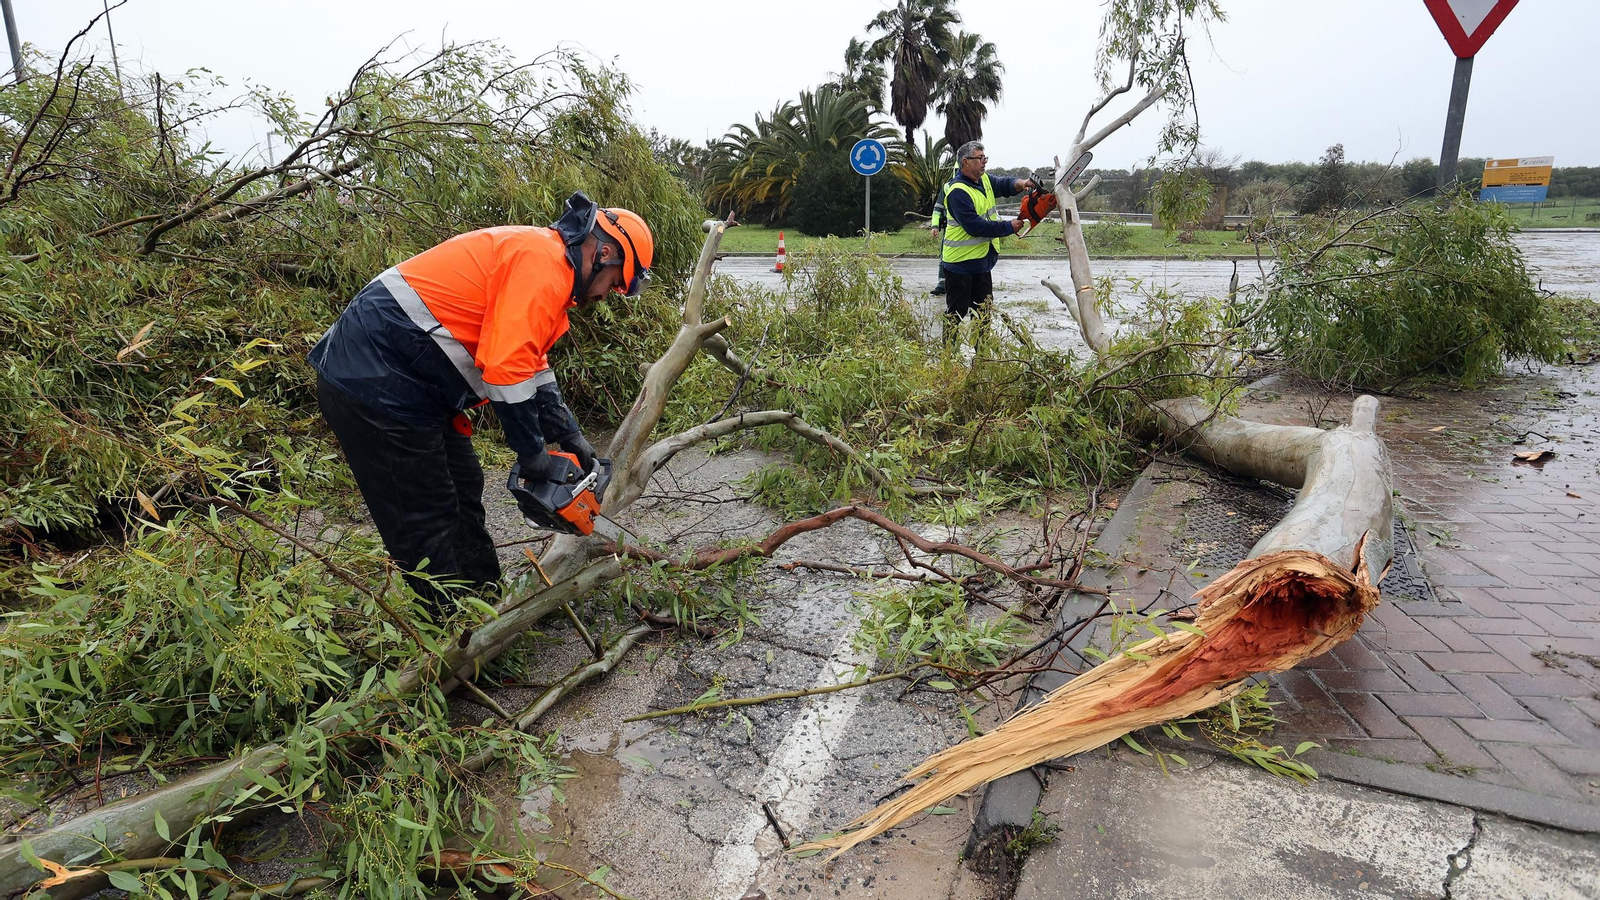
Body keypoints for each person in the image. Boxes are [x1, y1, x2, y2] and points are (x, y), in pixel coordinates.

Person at [308, 191, 653, 616]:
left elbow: (531, 364)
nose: (610, 293)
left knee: (464, 487)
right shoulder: (542, 265)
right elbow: (506, 371)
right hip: (373, 379)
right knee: (425, 512)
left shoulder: (547, 266)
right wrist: (534, 457)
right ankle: (452, 635)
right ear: (603, 252)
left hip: (411, 384)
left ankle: (488, 608)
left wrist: (569, 435)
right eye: (617, 281)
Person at [939, 140, 1034, 348]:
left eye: (985, 158)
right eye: (980, 158)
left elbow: (1004, 184)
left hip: (982, 262)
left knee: (983, 312)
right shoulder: (957, 191)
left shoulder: (984, 180)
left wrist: (1023, 183)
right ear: (965, 162)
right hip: (960, 264)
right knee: (956, 312)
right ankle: (947, 354)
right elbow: (975, 226)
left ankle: (981, 355)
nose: (984, 162)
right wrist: (1008, 227)